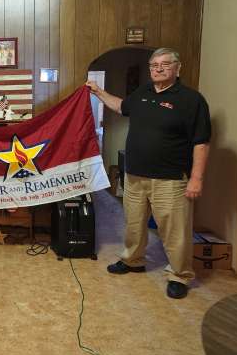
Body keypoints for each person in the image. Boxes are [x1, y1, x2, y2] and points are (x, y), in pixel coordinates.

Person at [86, 47, 211, 299]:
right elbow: (121, 107)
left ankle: (179, 275)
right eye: (154, 65)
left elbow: (201, 142)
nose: (159, 69)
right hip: (135, 175)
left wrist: (196, 178)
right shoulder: (142, 92)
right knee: (133, 224)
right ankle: (133, 260)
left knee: (175, 231)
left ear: (178, 68)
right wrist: (98, 92)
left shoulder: (192, 100)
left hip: (170, 178)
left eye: (165, 64)